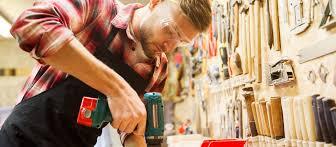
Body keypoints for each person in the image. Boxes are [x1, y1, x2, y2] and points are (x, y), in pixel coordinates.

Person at [0, 0, 211, 146]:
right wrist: (116, 89)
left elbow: (132, 128)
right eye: (171, 30)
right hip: (24, 140)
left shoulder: (158, 68)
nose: (170, 45)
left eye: (181, 41)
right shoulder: (98, 10)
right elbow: (31, 25)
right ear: (155, 3)